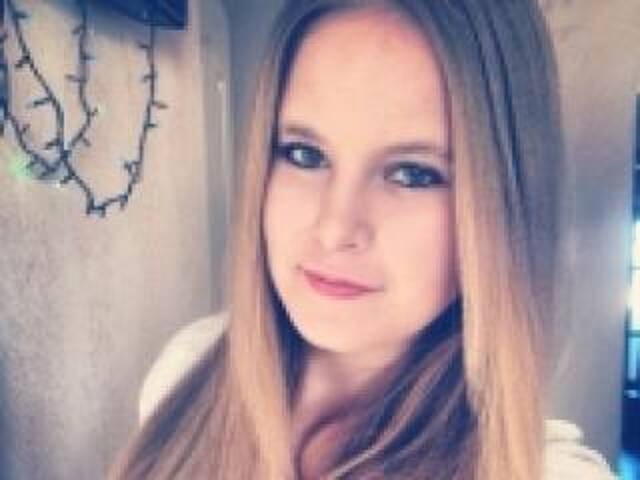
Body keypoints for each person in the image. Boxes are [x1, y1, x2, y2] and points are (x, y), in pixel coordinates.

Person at [110, 0, 617, 478]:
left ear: (503, 207)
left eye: (413, 174)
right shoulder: (189, 368)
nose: (335, 229)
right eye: (305, 155)